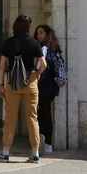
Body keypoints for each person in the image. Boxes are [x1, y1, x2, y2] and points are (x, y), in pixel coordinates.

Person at [0, 15, 46, 163]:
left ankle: (5, 152)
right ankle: (35, 153)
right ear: (27, 27)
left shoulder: (9, 43)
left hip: (13, 83)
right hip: (30, 82)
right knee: (32, 117)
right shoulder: (34, 43)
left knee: (10, 119)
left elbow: (1, 66)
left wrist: (1, 85)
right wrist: (36, 74)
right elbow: (43, 64)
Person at [35, 24, 64, 155]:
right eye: (37, 33)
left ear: (47, 34)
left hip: (46, 86)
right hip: (46, 86)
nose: (39, 35)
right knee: (42, 113)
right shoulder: (44, 48)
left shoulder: (47, 50)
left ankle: (47, 142)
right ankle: (43, 141)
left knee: (44, 113)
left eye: (41, 32)